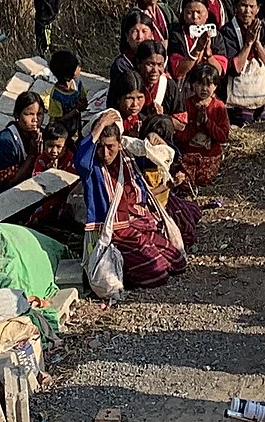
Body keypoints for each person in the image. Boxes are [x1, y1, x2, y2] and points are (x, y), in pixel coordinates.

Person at [79, 107, 187, 289]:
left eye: (111, 147)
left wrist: (157, 142)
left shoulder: (127, 159)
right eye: (100, 147)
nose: (105, 154)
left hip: (140, 222)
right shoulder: (93, 169)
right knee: (157, 274)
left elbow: (154, 169)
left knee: (178, 262)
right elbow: (81, 159)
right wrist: (101, 124)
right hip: (116, 231)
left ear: (120, 144)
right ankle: (122, 268)